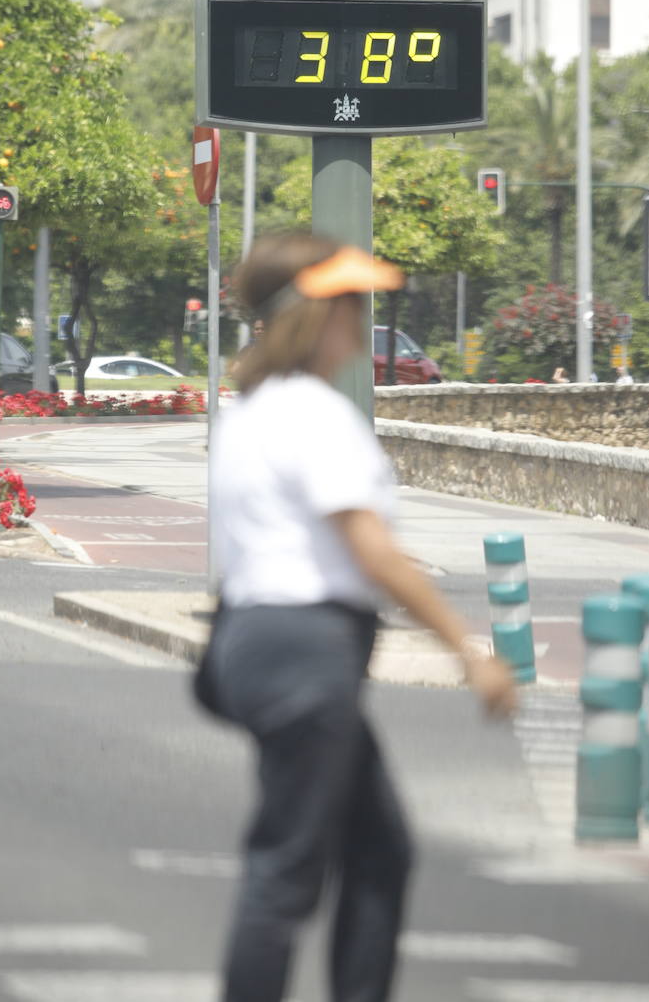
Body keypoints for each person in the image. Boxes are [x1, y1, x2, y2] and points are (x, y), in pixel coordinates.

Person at [200, 232, 516, 1002]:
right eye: (350, 304)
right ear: (313, 313)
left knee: (377, 853)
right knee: (287, 868)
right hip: (306, 650)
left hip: (254, 640)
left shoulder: (249, 412)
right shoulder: (316, 415)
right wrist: (465, 647)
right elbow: (371, 550)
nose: (361, 321)